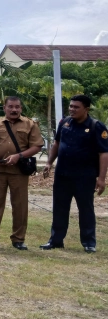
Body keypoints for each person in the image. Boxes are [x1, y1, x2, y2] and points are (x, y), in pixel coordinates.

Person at [41, 95, 108, 253]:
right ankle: (56, 240)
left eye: (76, 107)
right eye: (71, 106)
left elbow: (104, 153)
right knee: (59, 208)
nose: (72, 109)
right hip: (63, 174)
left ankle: (89, 243)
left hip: (85, 176)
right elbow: (57, 143)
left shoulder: (96, 126)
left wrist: (102, 178)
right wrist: (49, 163)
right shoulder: (64, 123)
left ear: (86, 109)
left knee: (85, 209)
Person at [0, 96, 43, 250]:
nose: (14, 110)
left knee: (20, 205)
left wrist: (19, 156)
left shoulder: (30, 124)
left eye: (17, 107)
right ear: (5, 107)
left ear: (21, 108)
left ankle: (18, 239)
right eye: (11, 107)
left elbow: (37, 146)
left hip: (19, 171)